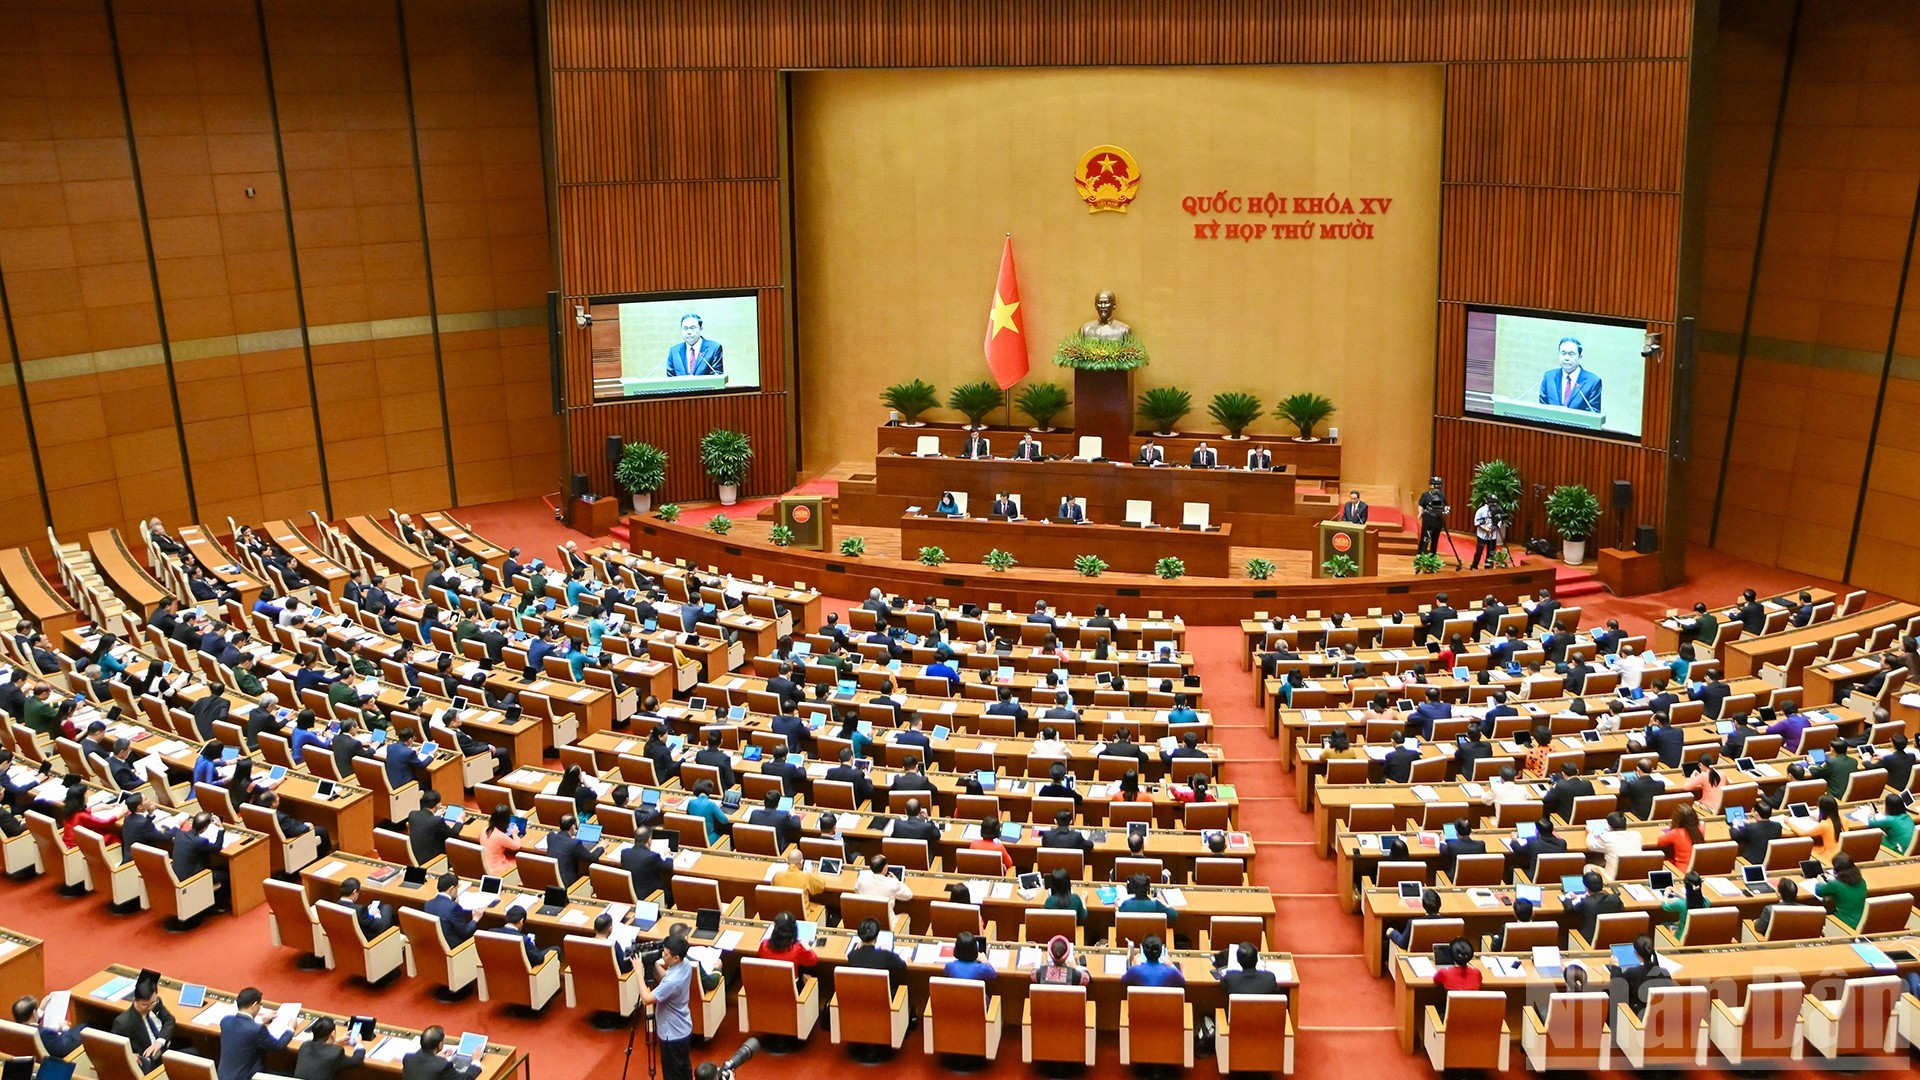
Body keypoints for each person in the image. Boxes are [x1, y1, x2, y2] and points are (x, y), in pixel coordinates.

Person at [217, 986, 294, 1080]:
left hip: (223, 1076)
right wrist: (290, 1028)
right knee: (290, 1073)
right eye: (260, 1004)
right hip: (246, 1077)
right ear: (254, 1005)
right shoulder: (257, 1030)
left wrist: (262, 1020)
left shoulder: (225, 1021)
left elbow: (242, 1029)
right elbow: (278, 1046)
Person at [112, 976, 176, 1071]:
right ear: (134, 1000)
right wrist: (129, 1056)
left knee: (194, 1053)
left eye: (152, 1003)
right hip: (151, 1062)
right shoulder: (123, 1022)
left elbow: (170, 1020)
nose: (149, 1007)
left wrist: (159, 1041)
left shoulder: (156, 1003)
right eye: (144, 1005)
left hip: (167, 1048)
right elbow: (114, 1048)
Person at [1537, 335, 1601, 411]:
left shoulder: (1593, 382)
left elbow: (1593, 414)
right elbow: (1542, 409)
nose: (1566, 358)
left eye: (1571, 354)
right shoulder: (1549, 377)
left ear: (1580, 357)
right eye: (1563, 353)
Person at [294, 1017, 366, 1080]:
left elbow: (321, 1049)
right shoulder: (336, 1052)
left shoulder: (305, 1045)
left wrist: (336, 1042)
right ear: (332, 1033)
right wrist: (359, 1044)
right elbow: (356, 1061)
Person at [13, 993, 82, 1058]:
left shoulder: (15, 1030)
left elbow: (30, 1022)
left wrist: (40, 1010)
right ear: (34, 1012)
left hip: (34, 1058)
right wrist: (65, 1028)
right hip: (59, 1059)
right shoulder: (45, 1033)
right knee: (83, 1027)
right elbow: (64, 1048)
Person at [402, 1025, 482, 1080]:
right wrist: (476, 1061)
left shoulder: (408, 1058)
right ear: (440, 1044)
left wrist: (436, 1058)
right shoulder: (443, 1066)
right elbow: (465, 1079)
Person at [1814, 853, 1869, 929]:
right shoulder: (1862, 881)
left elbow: (1818, 891)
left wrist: (1820, 881)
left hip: (1843, 924)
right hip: (1861, 922)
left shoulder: (1835, 885)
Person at [424, 872, 479, 945]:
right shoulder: (453, 908)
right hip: (454, 950)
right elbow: (465, 933)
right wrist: (475, 919)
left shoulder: (428, 904)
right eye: (457, 889)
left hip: (435, 945)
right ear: (451, 889)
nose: (457, 891)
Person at [757, 911, 818, 975]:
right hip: (792, 984)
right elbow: (813, 960)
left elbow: (760, 955)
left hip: (769, 982)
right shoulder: (798, 949)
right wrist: (806, 946)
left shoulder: (764, 945)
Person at [666, 313, 722, 377]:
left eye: (692, 328)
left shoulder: (714, 348)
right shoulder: (674, 351)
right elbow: (670, 379)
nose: (689, 332)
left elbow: (717, 377)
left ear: (701, 329)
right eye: (685, 328)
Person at [1121, 935, 1185, 987]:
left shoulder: (1135, 969)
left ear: (1143, 952)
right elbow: (1182, 981)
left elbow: (1123, 980)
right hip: (1164, 1002)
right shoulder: (1171, 971)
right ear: (1161, 952)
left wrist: (1137, 965)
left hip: (1141, 1002)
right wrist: (1171, 965)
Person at [1654, 805, 1704, 871]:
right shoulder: (1701, 829)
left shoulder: (1676, 832)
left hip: (1681, 871)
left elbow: (1660, 842)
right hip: (1699, 869)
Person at [480, 803, 522, 877]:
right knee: (520, 863)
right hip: (497, 870)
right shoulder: (501, 836)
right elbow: (517, 846)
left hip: (484, 867)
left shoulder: (483, 830)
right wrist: (515, 835)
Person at [1415, 477, 1448, 556]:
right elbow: (1421, 505)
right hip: (1428, 518)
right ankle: (1421, 553)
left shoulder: (1442, 495)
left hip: (1438, 519)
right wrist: (1420, 513)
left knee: (1435, 537)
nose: (1437, 487)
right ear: (1431, 486)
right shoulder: (1425, 495)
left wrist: (1445, 512)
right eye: (1435, 485)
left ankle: (1433, 553)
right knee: (1425, 536)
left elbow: (1445, 505)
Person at [1470, 495, 1503, 569]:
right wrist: (1486, 529)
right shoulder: (1481, 510)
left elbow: (1499, 522)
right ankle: (1474, 566)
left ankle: (1488, 567)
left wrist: (1492, 529)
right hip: (1482, 535)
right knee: (1478, 552)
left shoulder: (1498, 510)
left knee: (1491, 553)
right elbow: (1477, 522)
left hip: (1493, 536)